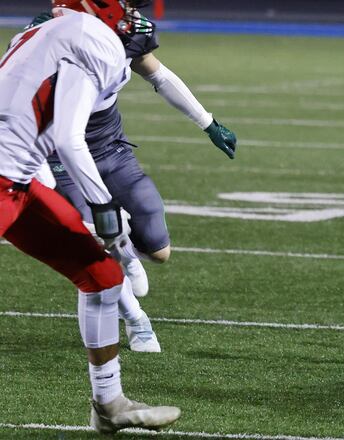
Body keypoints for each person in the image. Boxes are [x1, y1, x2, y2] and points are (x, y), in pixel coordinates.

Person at [0, 0, 180, 433]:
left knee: (101, 275)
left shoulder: (45, 31)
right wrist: (103, 208)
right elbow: (67, 136)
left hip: (18, 179)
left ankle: (109, 403)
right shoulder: (96, 38)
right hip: (5, 177)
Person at [26, 0, 238, 352]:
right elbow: (54, 128)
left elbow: (158, 74)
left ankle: (125, 247)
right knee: (94, 236)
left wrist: (208, 122)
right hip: (59, 151)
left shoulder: (126, 30)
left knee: (159, 250)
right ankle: (137, 320)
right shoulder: (50, 36)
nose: (127, 10)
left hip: (110, 147)